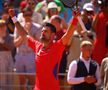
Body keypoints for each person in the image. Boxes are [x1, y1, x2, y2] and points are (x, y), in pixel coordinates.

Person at [8, 8, 79, 90]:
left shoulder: (57, 46)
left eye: (45, 31)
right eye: (42, 31)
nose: (42, 33)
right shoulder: (37, 45)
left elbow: (68, 35)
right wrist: (14, 18)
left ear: (52, 35)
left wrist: (75, 18)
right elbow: (24, 34)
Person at [14, 8, 41, 90]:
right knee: (21, 81)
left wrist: (27, 32)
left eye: (29, 15)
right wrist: (24, 32)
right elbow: (15, 43)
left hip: (31, 55)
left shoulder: (38, 27)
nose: (27, 17)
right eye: (25, 15)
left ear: (32, 15)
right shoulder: (18, 27)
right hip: (20, 54)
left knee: (32, 80)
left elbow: (38, 45)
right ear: (23, 15)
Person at [92, 0, 108, 65]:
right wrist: (98, 14)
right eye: (101, 6)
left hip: (106, 47)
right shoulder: (99, 15)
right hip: (98, 48)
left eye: (103, 6)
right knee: (97, 68)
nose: (101, 8)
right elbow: (93, 27)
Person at [0, 19, 15, 90]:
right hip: (1, 59)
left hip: (9, 58)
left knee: (10, 78)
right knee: (2, 79)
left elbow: (10, 47)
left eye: (3, 26)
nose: (1, 28)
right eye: (0, 26)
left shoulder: (11, 37)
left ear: (6, 27)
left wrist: (2, 41)